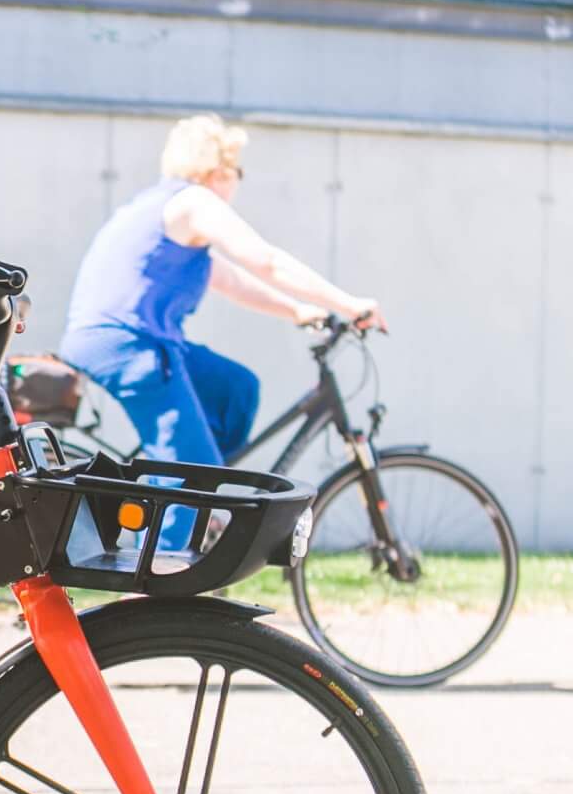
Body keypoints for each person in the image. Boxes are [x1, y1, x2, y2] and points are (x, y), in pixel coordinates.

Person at [58, 114, 386, 531]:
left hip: (133, 341)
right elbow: (265, 260)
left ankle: (181, 484)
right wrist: (348, 303)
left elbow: (230, 280)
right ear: (218, 170)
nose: (237, 183)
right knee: (193, 480)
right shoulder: (194, 203)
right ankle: (174, 541)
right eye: (238, 171)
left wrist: (298, 310)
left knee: (235, 390)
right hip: (128, 345)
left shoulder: (166, 209)